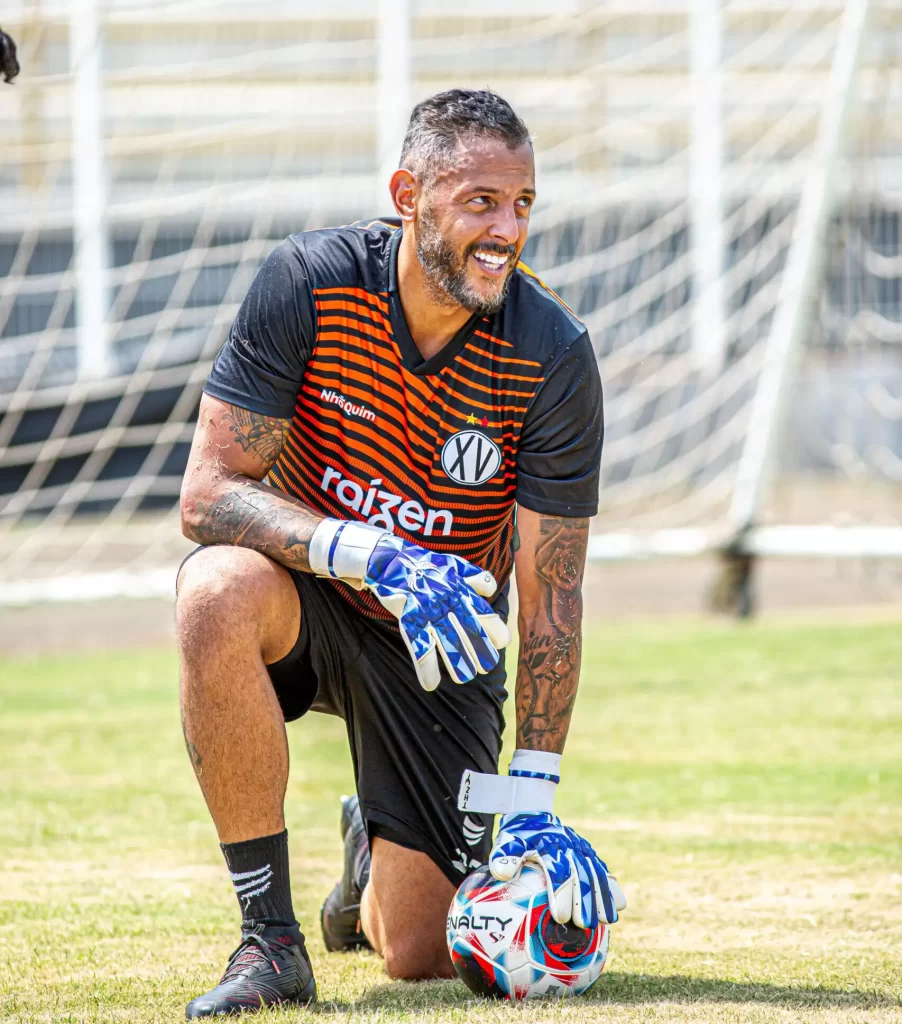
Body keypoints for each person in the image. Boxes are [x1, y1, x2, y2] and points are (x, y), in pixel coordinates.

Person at [176, 88, 625, 1018]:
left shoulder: (553, 353)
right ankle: (270, 944)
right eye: (480, 203)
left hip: (442, 643)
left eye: (524, 205)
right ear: (407, 194)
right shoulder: (308, 282)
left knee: (424, 954)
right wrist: (367, 553)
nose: (507, 230)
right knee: (214, 589)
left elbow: (552, 597)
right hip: (310, 592)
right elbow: (208, 494)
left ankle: (365, 864)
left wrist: (533, 795)